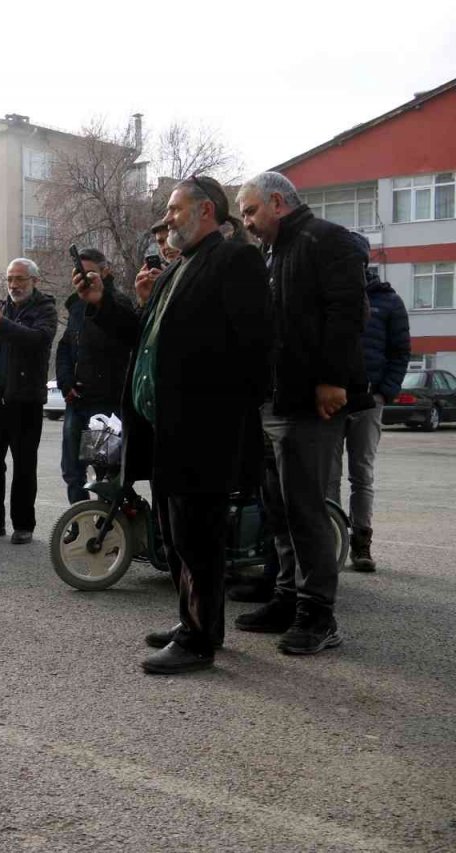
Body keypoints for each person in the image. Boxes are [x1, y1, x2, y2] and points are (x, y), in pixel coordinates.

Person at [83, 175, 270, 674]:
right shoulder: (176, 269)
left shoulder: (234, 259)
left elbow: (255, 347)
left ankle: (198, 640)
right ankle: (197, 621)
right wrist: (102, 303)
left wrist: (226, 412)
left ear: (205, 211)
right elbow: (145, 339)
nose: (166, 219)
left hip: (202, 427)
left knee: (198, 534)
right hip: (165, 427)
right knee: (177, 532)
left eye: (174, 208)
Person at [233, 171, 371, 656]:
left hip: (310, 403)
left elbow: (347, 313)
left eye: (249, 211)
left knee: (306, 512)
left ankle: (319, 615)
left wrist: (333, 380)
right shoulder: (274, 252)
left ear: (277, 202)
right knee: (279, 510)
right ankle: (288, 598)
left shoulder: (326, 240)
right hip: (274, 400)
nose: (246, 222)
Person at [0, 258, 57, 544]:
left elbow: (36, 339)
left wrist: (0, 323)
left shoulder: (45, 309)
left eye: (20, 279)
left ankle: (23, 525)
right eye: (10, 280)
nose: (14, 285)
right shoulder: (1, 308)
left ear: (34, 281)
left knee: (24, 465)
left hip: (24, 399)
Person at [328, 263, 411, 572]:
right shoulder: (330, 294)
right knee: (328, 476)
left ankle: (362, 543)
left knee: (361, 473)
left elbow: (401, 351)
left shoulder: (389, 301)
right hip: (332, 399)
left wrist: (384, 393)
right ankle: (332, 540)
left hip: (369, 399)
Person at [55, 249, 133, 505]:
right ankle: (80, 525)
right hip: (77, 402)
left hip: (106, 406)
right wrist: (66, 383)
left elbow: (124, 344)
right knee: (72, 471)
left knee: (104, 472)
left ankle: (108, 529)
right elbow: (66, 347)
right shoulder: (77, 305)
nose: (84, 279)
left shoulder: (118, 303)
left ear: (105, 270)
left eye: (89, 272)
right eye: (79, 273)